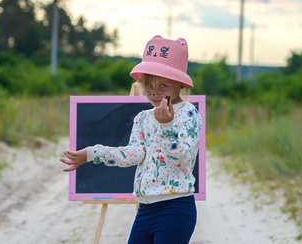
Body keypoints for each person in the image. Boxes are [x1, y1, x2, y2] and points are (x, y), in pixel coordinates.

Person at [60, 35, 203, 244]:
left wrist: (166, 126)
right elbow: (133, 155)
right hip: (145, 210)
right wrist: (92, 153)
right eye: (148, 85)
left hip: (176, 209)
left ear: (179, 83)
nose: (153, 92)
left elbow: (183, 159)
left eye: (163, 86)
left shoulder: (188, 114)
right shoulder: (143, 118)